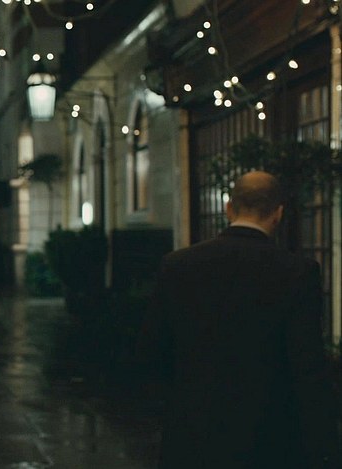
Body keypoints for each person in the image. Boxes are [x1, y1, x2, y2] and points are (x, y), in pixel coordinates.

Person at [137, 170, 341, 468]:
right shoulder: (298, 272)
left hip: (193, 435)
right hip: (268, 438)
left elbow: (151, 352)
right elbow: (307, 367)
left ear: (229, 208)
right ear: (278, 213)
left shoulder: (178, 266)